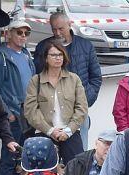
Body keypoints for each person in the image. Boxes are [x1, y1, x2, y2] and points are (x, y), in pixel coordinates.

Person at [32, 12, 102, 148]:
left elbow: (96, 77)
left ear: (70, 25)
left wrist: (86, 100)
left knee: (79, 153)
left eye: (61, 28)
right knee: (50, 154)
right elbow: (37, 77)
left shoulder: (85, 46)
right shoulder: (43, 47)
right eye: (54, 29)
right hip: (51, 109)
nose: (57, 33)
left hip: (78, 108)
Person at [23, 41, 88, 164]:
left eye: (60, 54)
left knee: (77, 170)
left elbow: (82, 108)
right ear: (46, 59)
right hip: (44, 133)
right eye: (53, 55)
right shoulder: (35, 81)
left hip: (70, 132)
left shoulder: (74, 79)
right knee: (45, 174)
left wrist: (68, 130)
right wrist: (50, 130)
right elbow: (31, 111)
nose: (58, 58)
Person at [0, 20, 34, 175]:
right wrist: (7, 113)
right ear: (8, 34)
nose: (23, 36)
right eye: (19, 32)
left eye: (26, 33)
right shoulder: (0, 57)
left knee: (24, 158)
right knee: (9, 158)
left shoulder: (27, 55)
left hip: (28, 113)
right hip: (14, 114)